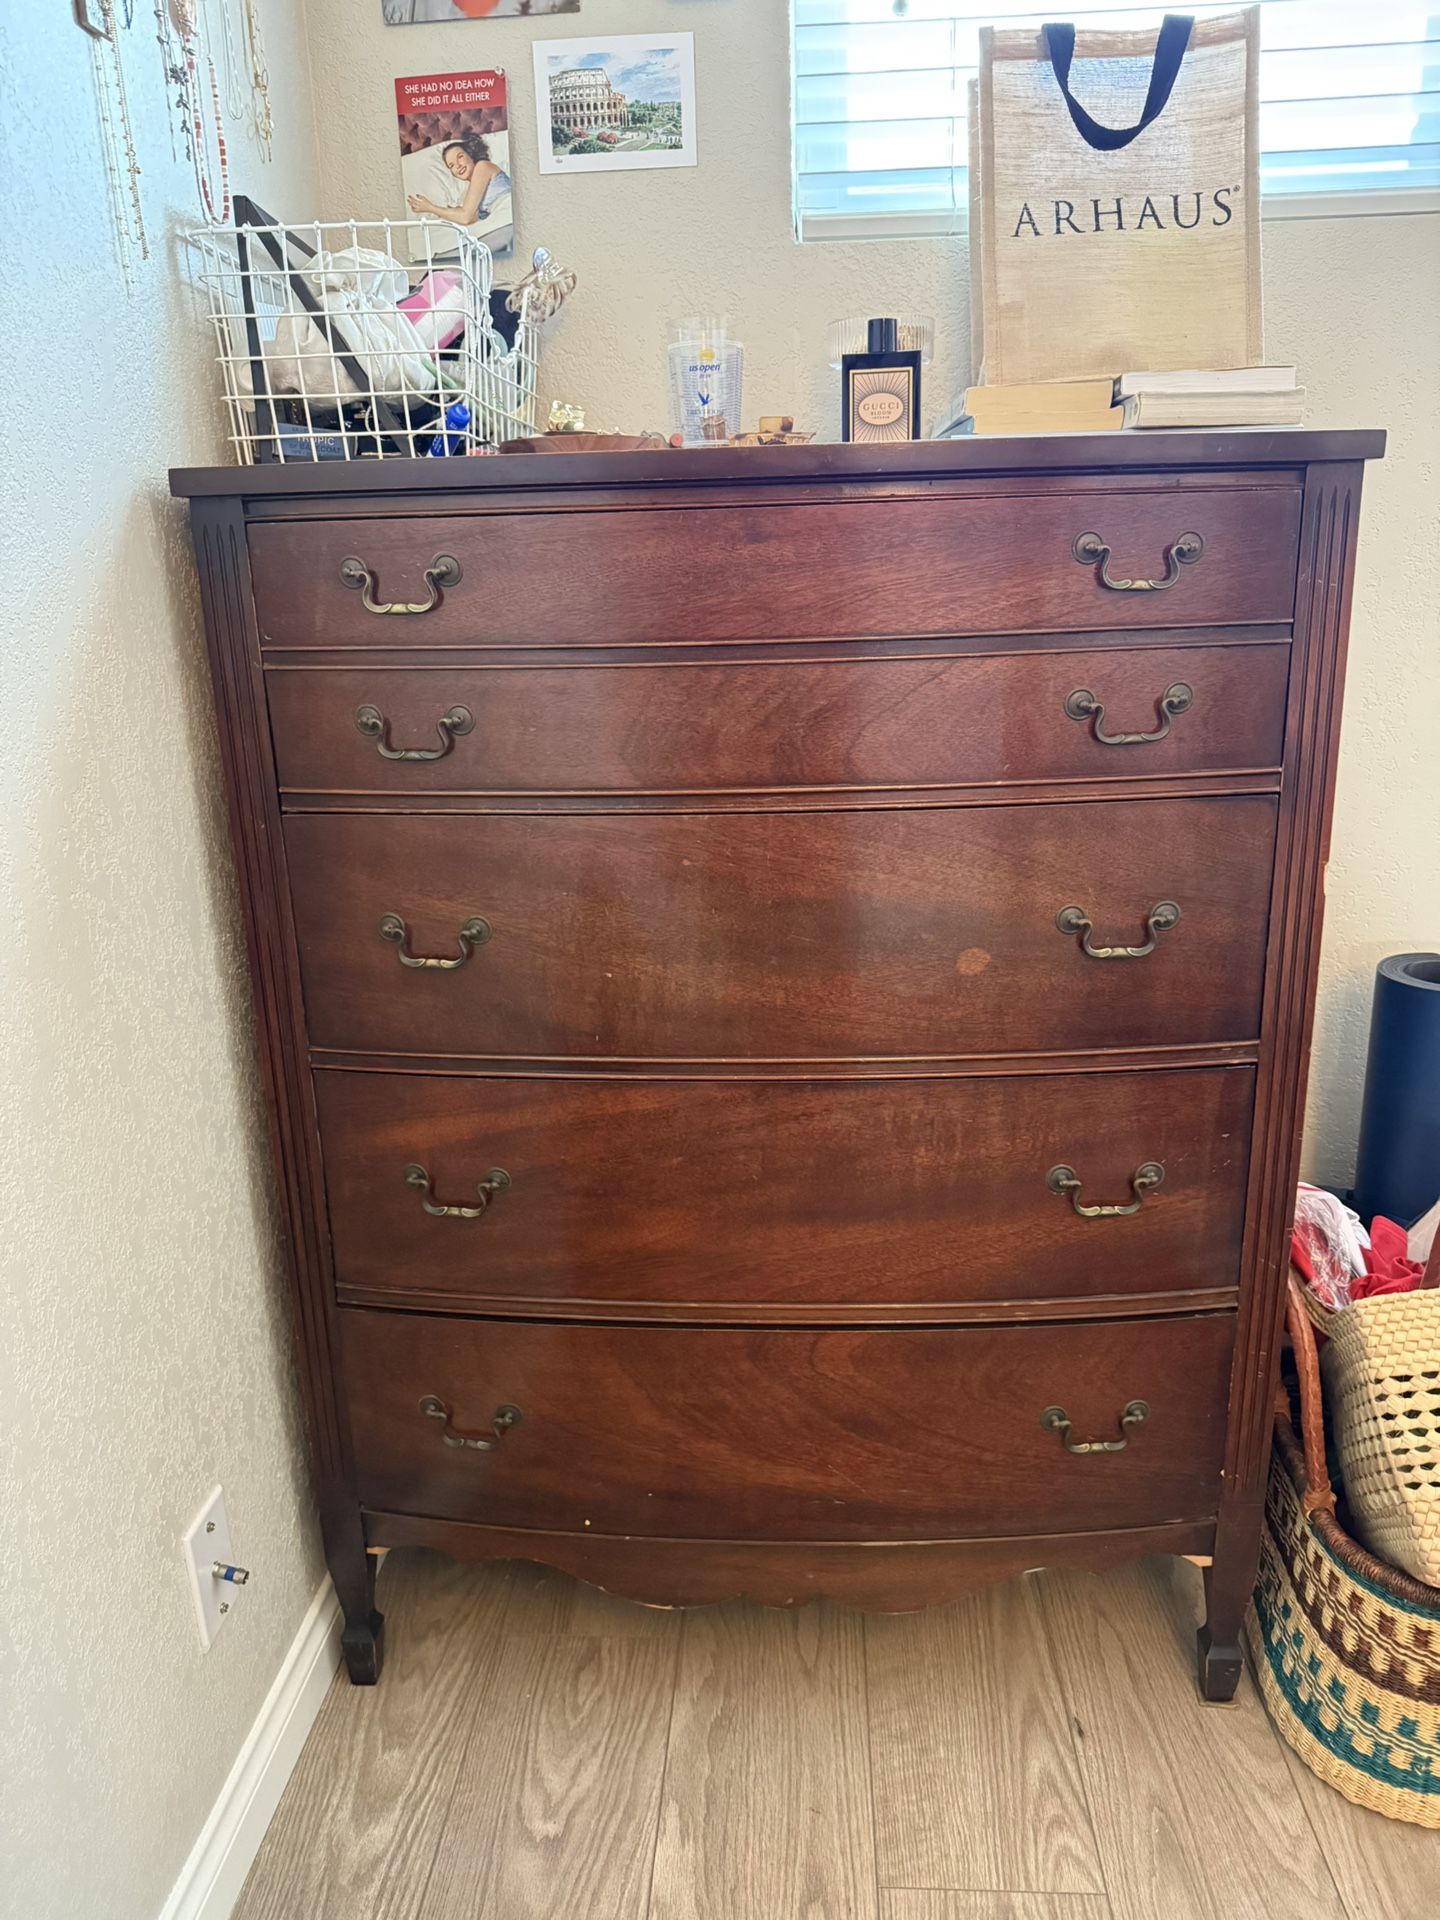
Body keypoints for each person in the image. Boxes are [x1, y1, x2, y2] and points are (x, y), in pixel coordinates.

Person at [407, 132, 511, 228]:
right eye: (451, 165)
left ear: (471, 155)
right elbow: (471, 218)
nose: (457, 166)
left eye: (460, 157)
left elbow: (466, 217)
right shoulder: (469, 194)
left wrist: (430, 208)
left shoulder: (482, 166)